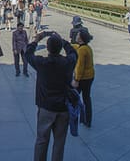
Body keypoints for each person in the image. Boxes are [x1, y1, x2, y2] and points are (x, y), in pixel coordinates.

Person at [26, 31, 78, 161]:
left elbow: (27, 54)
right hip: (63, 107)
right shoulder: (67, 63)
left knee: (42, 141)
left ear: (47, 48)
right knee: (59, 143)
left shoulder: (42, 63)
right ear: (60, 48)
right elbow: (74, 53)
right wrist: (63, 41)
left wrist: (36, 40)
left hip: (46, 107)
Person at [72, 29, 94, 128]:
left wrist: (76, 80)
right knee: (87, 98)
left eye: (78, 35)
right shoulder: (86, 47)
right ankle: (87, 120)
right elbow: (75, 46)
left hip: (83, 78)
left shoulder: (81, 51)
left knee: (74, 98)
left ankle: (74, 118)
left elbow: (79, 66)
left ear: (80, 38)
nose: (76, 35)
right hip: (90, 76)